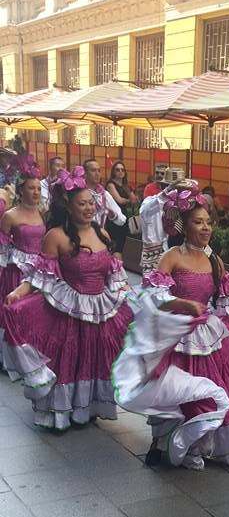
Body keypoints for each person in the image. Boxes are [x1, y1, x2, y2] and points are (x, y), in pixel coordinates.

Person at [113, 181, 229, 470]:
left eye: (208, 222)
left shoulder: (214, 260)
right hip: (176, 336)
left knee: (209, 392)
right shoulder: (172, 256)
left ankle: (199, 445)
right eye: (198, 222)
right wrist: (183, 305)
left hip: (208, 336)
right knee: (174, 394)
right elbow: (154, 295)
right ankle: (162, 444)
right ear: (183, 226)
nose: (206, 227)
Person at [2, 167, 133, 429]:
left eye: (91, 203)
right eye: (82, 203)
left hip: (101, 310)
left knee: (97, 360)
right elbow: (42, 275)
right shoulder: (56, 237)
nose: (88, 208)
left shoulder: (103, 235)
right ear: (69, 207)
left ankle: (90, 406)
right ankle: (61, 411)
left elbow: (115, 277)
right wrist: (18, 292)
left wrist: (132, 295)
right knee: (69, 359)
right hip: (69, 311)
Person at [0, 159, 45, 365]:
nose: (36, 192)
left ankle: (33, 354)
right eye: (31, 188)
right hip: (17, 271)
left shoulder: (43, 213)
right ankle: (13, 357)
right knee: (15, 312)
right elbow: (2, 247)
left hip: (40, 271)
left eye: (38, 188)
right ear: (21, 190)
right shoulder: (10, 215)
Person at [139, 167, 185, 274]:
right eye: (174, 188)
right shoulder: (152, 202)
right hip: (155, 257)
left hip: (183, 258)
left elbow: (198, 240)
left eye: (181, 189)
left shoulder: (186, 207)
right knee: (153, 289)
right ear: (163, 187)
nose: (177, 192)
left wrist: (211, 255)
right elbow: (144, 211)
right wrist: (166, 193)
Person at [105, 161, 138, 257]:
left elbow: (134, 199)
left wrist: (130, 199)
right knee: (115, 243)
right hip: (114, 216)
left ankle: (117, 263)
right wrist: (129, 200)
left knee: (121, 242)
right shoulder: (110, 184)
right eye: (117, 169)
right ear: (113, 172)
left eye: (122, 169)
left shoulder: (126, 185)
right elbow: (119, 200)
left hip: (125, 215)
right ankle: (114, 264)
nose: (120, 171)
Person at [83, 159, 126, 230]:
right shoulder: (78, 193)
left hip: (99, 236)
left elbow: (121, 220)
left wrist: (112, 215)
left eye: (99, 170)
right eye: (93, 170)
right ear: (85, 173)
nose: (97, 174)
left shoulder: (104, 194)